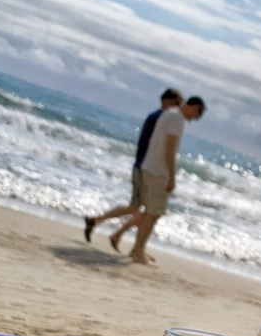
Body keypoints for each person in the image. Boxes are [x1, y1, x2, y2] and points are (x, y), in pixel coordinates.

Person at [83, 88, 182, 252]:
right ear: (166, 102)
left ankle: (113, 232)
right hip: (144, 170)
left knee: (142, 210)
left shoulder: (158, 118)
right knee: (142, 210)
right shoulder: (160, 119)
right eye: (176, 103)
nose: (178, 108)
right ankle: (106, 228)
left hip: (143, 168)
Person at [127, 95, 205, 265]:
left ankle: (138, 249)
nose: (194, 119)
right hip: (157, 170)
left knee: (150, 211)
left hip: (150, 166)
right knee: (154, 213)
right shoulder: (177, 119)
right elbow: (170, 148)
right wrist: (171, 176)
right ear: (194, 107)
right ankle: (138, 252)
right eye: (196, 115)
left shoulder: (170, 114)